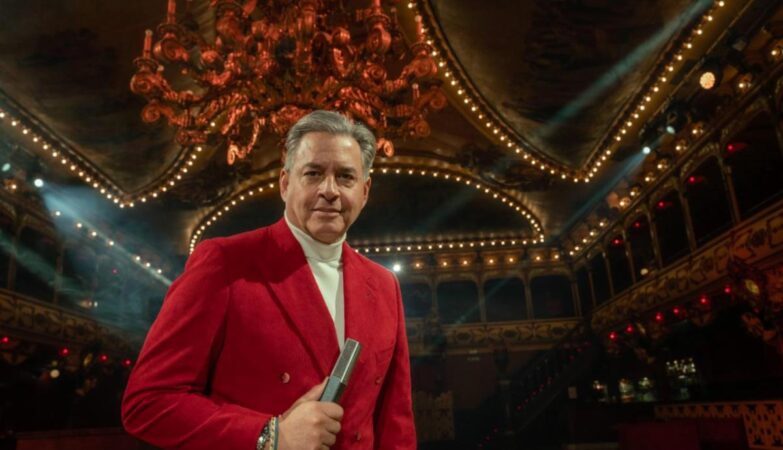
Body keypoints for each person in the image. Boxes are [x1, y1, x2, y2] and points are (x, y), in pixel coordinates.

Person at [122, 110, 416, 450]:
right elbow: (148, 402)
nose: (329, 190)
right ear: (285, 183)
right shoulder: (224, 262)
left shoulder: (384, 284)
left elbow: (396, 424)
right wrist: (270, 436)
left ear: (364, 191)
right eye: (313, 173)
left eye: (346, 177)